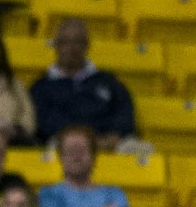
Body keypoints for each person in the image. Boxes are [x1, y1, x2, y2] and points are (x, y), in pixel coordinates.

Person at [29, 18, 136, 147]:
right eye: (65, 42)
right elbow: (44, 122)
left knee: (139, 149)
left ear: (87, 45)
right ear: (56, 46)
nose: (72, 48)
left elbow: (123, 113)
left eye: (78, 42)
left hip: (107, 142)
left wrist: (110, 138)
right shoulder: (41, 86)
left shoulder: (108, 82)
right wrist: (79, 139)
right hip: (62, 143)